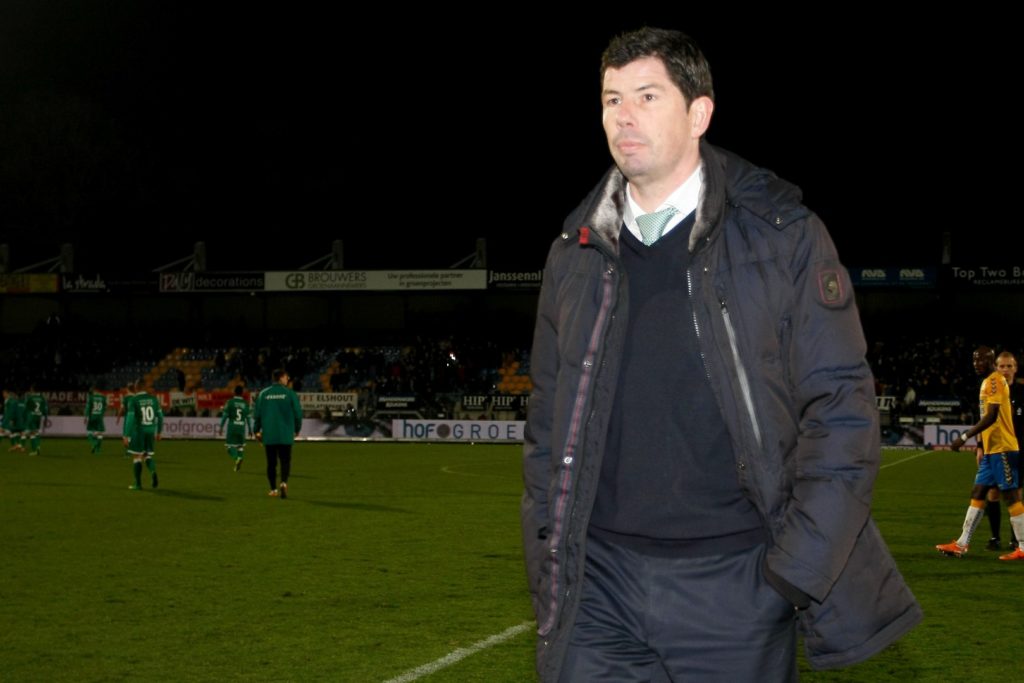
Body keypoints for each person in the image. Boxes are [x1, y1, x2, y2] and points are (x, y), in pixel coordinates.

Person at [520, 27, 921, 681]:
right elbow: (546, 420)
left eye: (647, 96)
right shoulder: (574, 251)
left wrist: (792, 573)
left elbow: (842, 409)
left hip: (737, 586)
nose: (624, 115)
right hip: (597, 589)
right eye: (612, 99)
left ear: (699, 113)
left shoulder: (782, 237)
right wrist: (547, 549)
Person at [936, 347, 1024, 560]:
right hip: (992, 450)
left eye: (981, 360)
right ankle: (961, 544)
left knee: (1010, 496)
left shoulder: (994, 381)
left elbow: (991, 416)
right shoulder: (987, 382)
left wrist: (964, 436)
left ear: (990, 361)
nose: (976, 364)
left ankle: (1023, 546)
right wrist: (981, 445)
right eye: (974, 360)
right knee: (978, 492)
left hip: (1003, 448)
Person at [253, 369, 302, 498]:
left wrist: (256, 430)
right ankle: (284, 483)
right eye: (286, 377)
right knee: (285, 461)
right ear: (280, 378)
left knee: (271, 463)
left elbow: (257, 415)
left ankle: (273, 489)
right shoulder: (290, 393)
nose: (288, 379)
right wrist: (297, 429)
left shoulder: (263, 394)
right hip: (285, 434)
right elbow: (298, 414)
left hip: (269, 435)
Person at [123, 384, 164, 490]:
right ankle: (153, 471)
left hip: (139, 431)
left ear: (136, 388)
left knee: (137, 457)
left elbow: (130, 418)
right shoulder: (154, 399)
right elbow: (160, 417)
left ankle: (138, 484)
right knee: (147, 455)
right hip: (150, 430)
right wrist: (159, 432)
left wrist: (126, 435)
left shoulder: (134, 400)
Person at [219, 385, 252, 471]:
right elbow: (248, 418)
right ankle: (238, 463)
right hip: (241, 427)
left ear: (234, 392)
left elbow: (225, 416)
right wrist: (250, 429)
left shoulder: (230, 402)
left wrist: (221, 426)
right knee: (240, 446)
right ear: (242, 393)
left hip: (232, 427)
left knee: (229, 447)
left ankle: (237, 458)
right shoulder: (245, 403)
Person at [21, 386, 48, 456]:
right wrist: (46, 418)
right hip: (39, 417)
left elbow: (25, 408)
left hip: (31, 417)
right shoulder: (42, 398)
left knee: (32, 433)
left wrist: (23, 417)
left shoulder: (30, 398)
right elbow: (45, 409)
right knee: (36, 432)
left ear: (32, 390)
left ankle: (34, 451)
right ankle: (38, 446)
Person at [84, 386, 108, 454]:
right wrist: (102, 414)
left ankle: (94, 443)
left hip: (92, 416)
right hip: (100, 417)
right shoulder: (103, 397)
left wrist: (86, 417)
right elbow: (106, 406)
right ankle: (98, 450)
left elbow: (88, 408)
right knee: (100, 433)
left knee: (89, 432)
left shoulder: (91, 397)